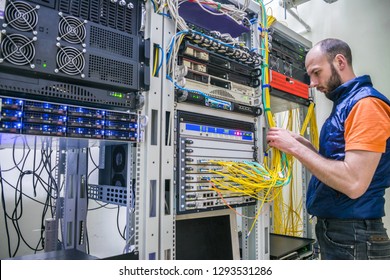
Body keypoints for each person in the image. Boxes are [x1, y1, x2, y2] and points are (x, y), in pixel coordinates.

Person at [266, 38, 390, 260]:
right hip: (343, 234)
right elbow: (339, 163)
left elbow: (353, 183)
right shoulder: (347, 104)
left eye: (316, 72)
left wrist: (295, 148)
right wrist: (308, 148)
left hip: (355, 237)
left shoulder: (366, 105)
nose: (312, 83)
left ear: (340, 61)